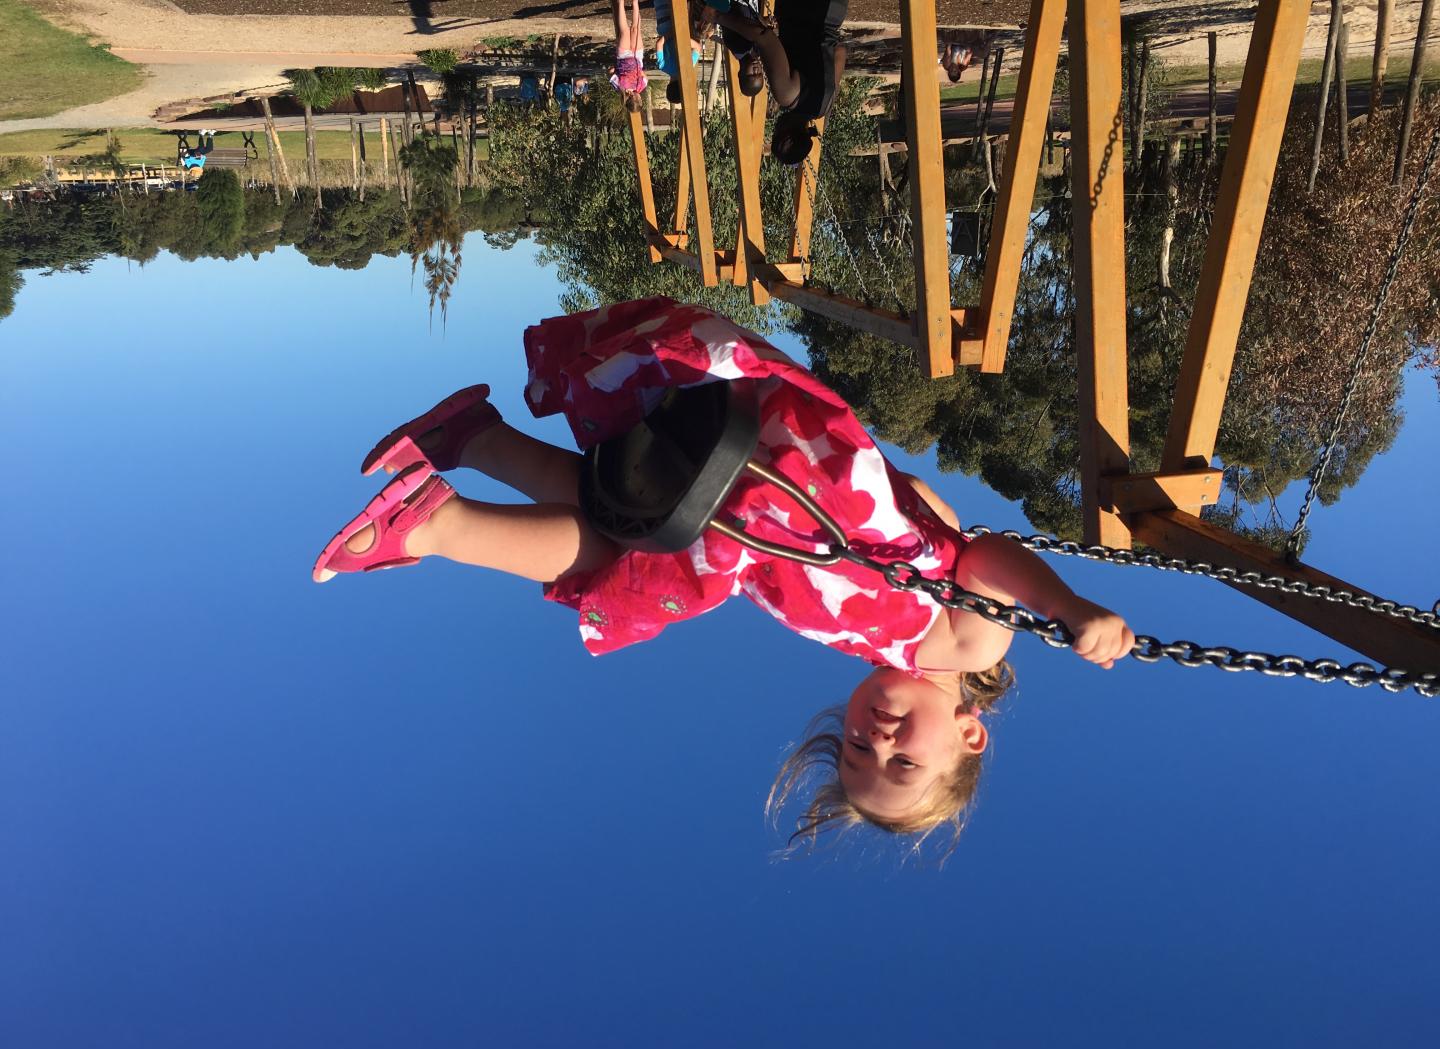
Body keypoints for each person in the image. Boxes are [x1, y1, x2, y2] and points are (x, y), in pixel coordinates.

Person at [312, 299, 1136, 850]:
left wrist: (914, 512)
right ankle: (433, 526)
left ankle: (472, 437)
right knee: (619, 574)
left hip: (752, 497)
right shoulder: (966, 646)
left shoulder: (890, 646)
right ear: (969, 734)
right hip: (783, 489)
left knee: (617, 514)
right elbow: (990, 562)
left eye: (852, 750)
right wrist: (1067, 605)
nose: (874, 741)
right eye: (902, 763)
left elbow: (928, 508)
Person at [703, 0, 848, 165]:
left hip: (834, 12)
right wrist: (717, 16)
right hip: (806, 9)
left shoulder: (823, 107)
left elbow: (840, 51)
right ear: (785, 136)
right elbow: (764, 37)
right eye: (775, 133)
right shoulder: (787, 95)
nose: (775, 126)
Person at [609, 0, 649, 113]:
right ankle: (635, 2)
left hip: (624, 56)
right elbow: (644, 76)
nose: (640, 97)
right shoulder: (641, 87)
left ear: (633, 99)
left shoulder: (620, 88)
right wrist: (639, 73)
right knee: (635, 29)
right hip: (637, 55)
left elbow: (611, 72)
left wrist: (617, 69)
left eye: (640, 99)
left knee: (625, 31)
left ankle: (621, 3)